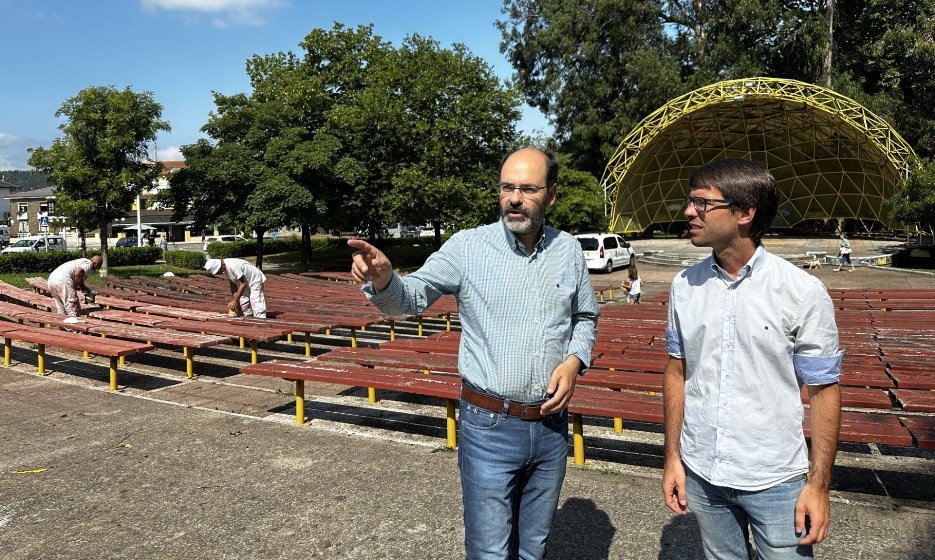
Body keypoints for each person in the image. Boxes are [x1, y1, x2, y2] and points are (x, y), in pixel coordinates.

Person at [349, 147, 600, 560]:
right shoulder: (468, 248)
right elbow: (410, 299)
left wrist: (574, 362)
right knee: (489, 552)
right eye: (507, 187)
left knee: (534, 548)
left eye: (527, 188)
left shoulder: (568, 250)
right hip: (489, 427)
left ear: (551, 195)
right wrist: (384, 280)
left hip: (552, 426)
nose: (514, 198)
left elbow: (586, 316)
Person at [661, 159, 842, 559]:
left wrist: (818, 485)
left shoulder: (801, 292)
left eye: (702, 203)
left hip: (775, 477)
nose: (689, 212)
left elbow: (824, 392)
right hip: (703, 471)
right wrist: (673, 459)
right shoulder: (684, 286)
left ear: (744, 213)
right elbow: (677, 373)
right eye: (690, 201)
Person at [203, 258, 268, 318]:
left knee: (255, 300)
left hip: (254, 279)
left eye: (218, 271)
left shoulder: (233, 266)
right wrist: (236, 300)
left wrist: (235, 301)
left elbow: (243, 284)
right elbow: (233, 284)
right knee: (243, 301)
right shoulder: (225, 268)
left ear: (220, 267)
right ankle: (247, 318)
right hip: (245, 281)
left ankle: (260, 318)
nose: (218, 273)